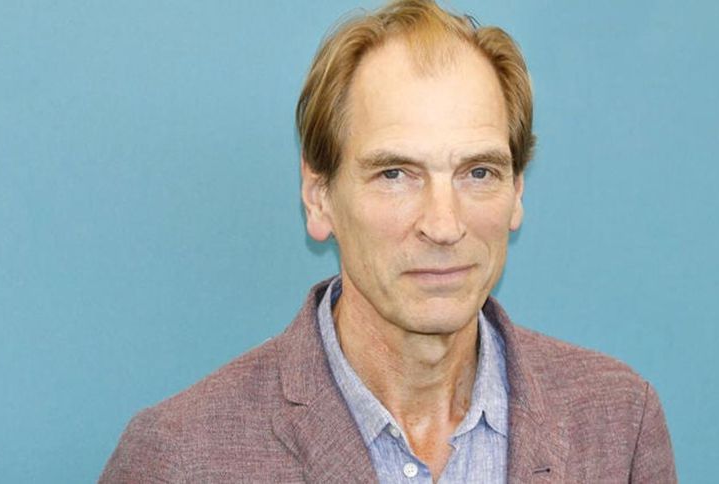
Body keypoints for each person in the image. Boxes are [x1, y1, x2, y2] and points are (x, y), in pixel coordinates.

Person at [100, 1, 677, 482]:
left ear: (517, 192)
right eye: (395, 174)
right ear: (318, 196)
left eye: (478, 172)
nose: (444, 225)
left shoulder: (619, 425)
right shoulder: (178, 459)